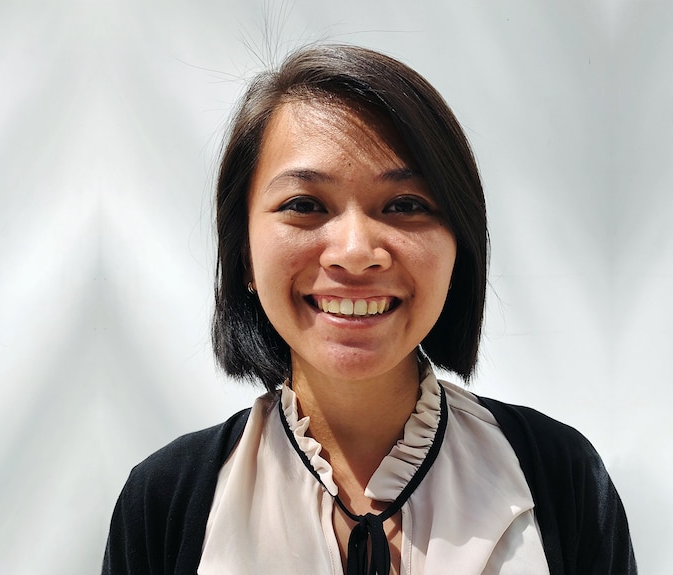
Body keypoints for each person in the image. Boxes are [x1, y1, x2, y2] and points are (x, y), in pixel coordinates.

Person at [102, 44, 636, 575]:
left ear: (460, 246)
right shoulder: (167, 501)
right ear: (242, 251)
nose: (356, 252)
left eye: (404, 206)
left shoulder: (558, 476)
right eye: (305, 205)